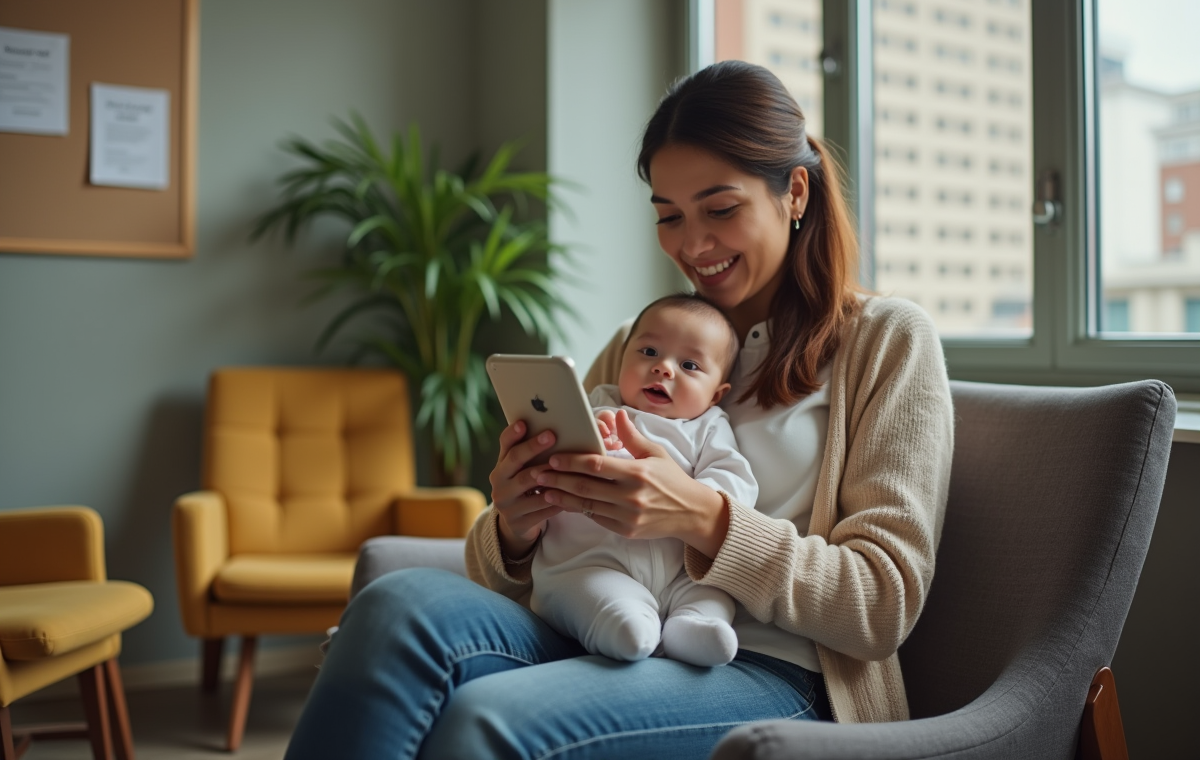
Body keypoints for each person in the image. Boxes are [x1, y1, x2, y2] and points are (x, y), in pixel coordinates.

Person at [283, 60, 954, 760]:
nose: (692, 246)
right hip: (600, 621)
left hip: (769, 669)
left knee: (490, 718)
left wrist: (701, 515)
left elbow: (882, 603)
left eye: (720, 210)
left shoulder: (886, 341)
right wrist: (514, 523)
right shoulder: (641, 345)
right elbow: (503, 568)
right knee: (393, 607)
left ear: (795, 191)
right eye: (669, 217)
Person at [532, 292, 757, 668]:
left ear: (716, 393)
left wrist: (693, 498)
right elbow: (555, 466)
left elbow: (735, 483)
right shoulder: (598, 407)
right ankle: (623, 625)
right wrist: (594, 446)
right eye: (649, 353)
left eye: (688, 365)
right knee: (591, 593)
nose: (664, 368)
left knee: (713, 593)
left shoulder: (708, 428)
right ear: (622, 360)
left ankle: (694, 627)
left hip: (680, 573)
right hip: (593, 563)